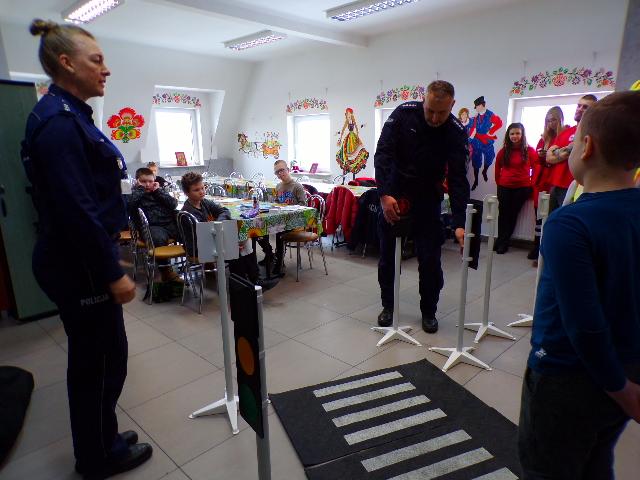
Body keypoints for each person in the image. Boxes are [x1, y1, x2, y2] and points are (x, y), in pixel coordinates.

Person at [21, 19, 152, 479]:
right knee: (99, 364)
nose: (106, 69)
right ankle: (96, 458)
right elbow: (77, 209)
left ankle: (104, 437)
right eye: (96, 60)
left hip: (79, 260)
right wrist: (111, 272)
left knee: (105, 357)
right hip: (78, 265)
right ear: (66, 63)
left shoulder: (69, 114)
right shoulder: (59, 124)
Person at [518, 91, 640, 479]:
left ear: (586, 147)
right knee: (596, 460)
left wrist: (619, 387)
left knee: (548, 467)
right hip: (627, 367)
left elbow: (584, 324)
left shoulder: (568, 224)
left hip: (566, 378)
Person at [375, 80, 470, 333]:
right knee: (388, 257)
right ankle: (388, 306)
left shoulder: (456, 132)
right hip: (396, 192)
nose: (435, 118)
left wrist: (460, 223)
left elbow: (459, 179)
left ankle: (429, 311)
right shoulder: (403, 114)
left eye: (442, 112)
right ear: (423, 99)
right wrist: (384, 194)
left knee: (430, 260)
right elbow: (383, 154)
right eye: (430, 110)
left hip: (428, 197)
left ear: (452, 105)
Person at [179, 172, 277, 290]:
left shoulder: (203, 202)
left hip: (211, 240)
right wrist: (229, 242)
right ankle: (243, 286)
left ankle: (254, 280)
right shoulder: (188, 212)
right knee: (235, 248)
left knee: (244, 240)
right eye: (196, 190)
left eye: (203, 188)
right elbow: (204, 237)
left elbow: (224, 211)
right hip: (198, 248)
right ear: (187, 193)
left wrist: (219, 223)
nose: (201, 191)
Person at [546, 94, 598, 212]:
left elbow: (571, 152)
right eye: (579, 105)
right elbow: (549, 157)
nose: (579, 109)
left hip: (574, 187)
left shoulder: (592, 133)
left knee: (567, 220)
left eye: (585, 107)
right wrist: (566, 151)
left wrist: (559, 152)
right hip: (555, 185)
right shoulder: (566, 132)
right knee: (551, 219)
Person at [128, 167, 181, 282]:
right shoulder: (134, 193)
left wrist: (158, 191)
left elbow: (173, 204)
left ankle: (204, 261)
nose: (147, 184)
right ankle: (166, 271)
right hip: (151, 227)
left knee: (189, 230)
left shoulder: (158, 191)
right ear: (137, 181)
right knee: (157, 238)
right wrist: (140, 189)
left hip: (169, 224)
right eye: (143, 181)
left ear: (155, 181)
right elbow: (129, 205)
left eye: (150, 181)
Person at [528, 106, 567, 262]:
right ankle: (537, 247)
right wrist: (542, 156)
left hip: (555, 181)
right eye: (548, 120)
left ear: (560, 120)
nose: (550, 123)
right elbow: (536, 161)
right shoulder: (543, 139)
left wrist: (550, 158)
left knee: (553, 217)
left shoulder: (564, 136)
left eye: (553, 120)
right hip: (541, 182)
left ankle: (548, 251)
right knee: (539, 216)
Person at [257, 160, 306, 276]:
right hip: (280, 219)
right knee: (258, 229)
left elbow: (303, 206)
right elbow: (276, 202)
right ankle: (269, 254)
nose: (280, 174)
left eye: (282, 170)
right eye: (277, 172)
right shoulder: (278, 186)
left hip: (293, 221)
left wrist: (289, 209)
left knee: (280, 232)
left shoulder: (297, 186)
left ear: (288, 170)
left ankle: (279, 262)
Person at [493, 123, 535, 254]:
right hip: (504, 187)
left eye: (517, 133)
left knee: (512, 215)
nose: (515, 136)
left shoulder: (529, 151)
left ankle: (503, 243)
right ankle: (500, 240)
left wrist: (531, 183)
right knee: (503, 214)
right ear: (508, 135)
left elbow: (537, 167)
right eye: (512, 133)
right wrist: (500, 183)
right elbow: (497, 168)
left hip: (522, 188)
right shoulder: (503, 151)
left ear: (522, 135)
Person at [469, 96, 503, 191]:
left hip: (486, 140)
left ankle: (484, 170)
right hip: (476, 141)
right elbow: (472, 126)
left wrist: (491, 131)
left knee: (490, 157)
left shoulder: (490, 114)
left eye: (477, 106)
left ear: (482, 105)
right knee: (476, 161)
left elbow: (499, 123)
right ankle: (476, 180)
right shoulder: (476, 116)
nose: (476, 109)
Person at [336, 107, 369, 176]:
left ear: (351, 113)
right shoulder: (347, 121)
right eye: (347, 113)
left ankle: (356, 164)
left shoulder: (353, 119)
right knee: (347, 149)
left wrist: (357, 135)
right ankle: (349, 165)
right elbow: (343, 129)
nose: (348, 114)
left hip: (353, 136)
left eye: (349, 113)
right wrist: (340, 138)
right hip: (349, 136)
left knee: (357, 148)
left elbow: (356, 127)